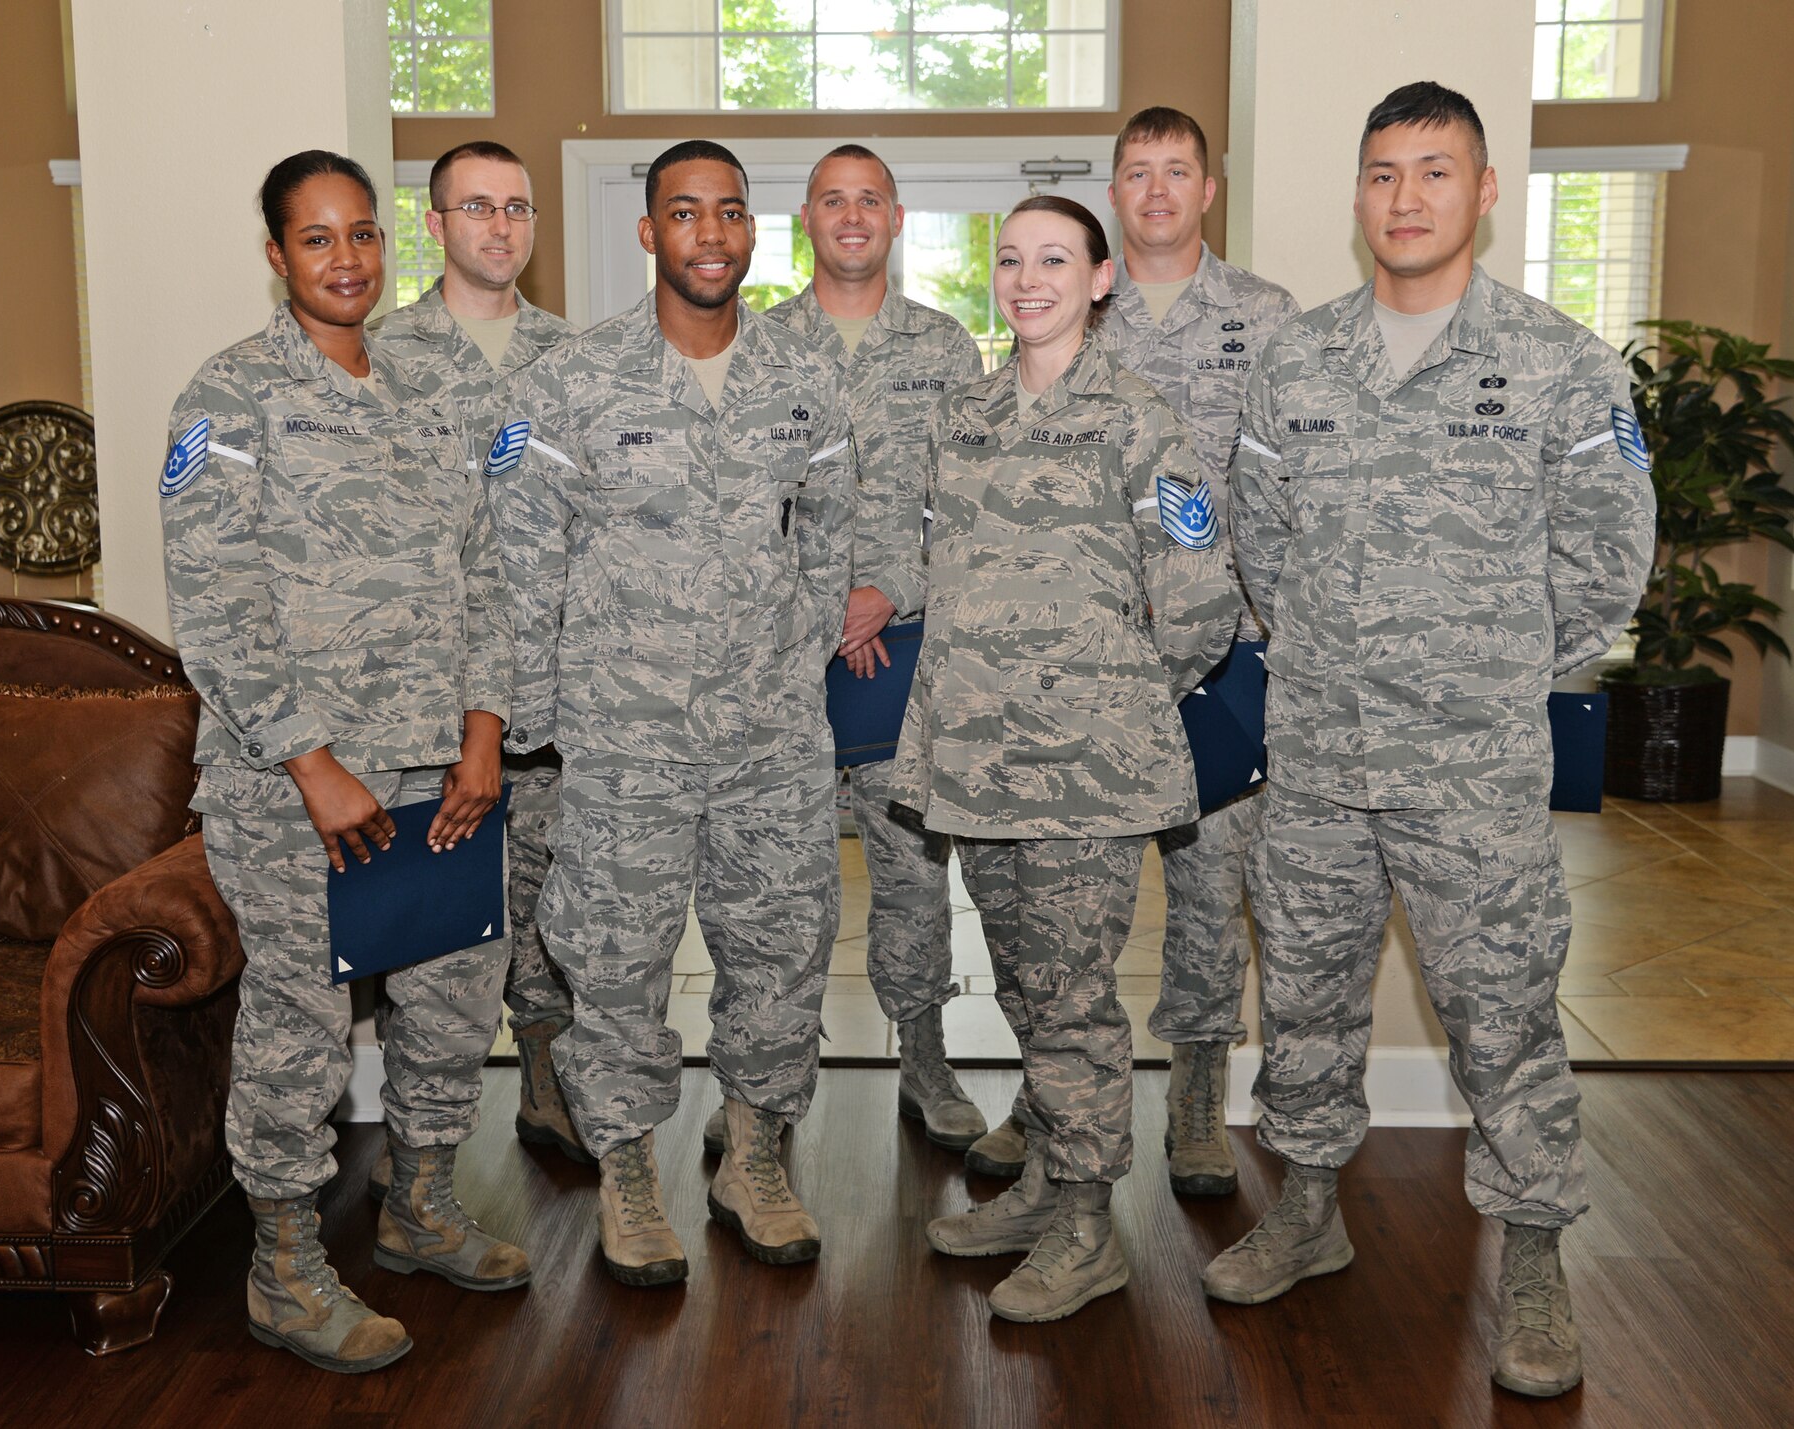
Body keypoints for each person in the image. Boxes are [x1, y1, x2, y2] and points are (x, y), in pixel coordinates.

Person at [1215, 83, 1654, 1399]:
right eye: (1384, 174)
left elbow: (1606, 568)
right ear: (1361, 196)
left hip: (1473, 777)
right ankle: (1304, 1207)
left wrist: (1479, 666)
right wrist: (1348, 657)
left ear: (1484, 191)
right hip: (1320, 765)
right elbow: (1260, 542)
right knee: (1298, 999)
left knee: (1505, 1019)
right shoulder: (1296, 361)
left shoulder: (1565, 364)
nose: (1406, 199)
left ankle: (1529, 1253)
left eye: (1434, 173)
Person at [160, 150, 529, 1375]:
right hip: (294, 792)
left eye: (363, 234)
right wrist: (310, 762)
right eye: (317, 240)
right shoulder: (229, 400)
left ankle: (418, 1204)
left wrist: (484, 732)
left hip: (443, 774)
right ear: (277, 256)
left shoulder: (431, 389)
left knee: (452, 997)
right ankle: (280, 1261)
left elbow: (486, 570)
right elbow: (215, 604)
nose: (347, 259)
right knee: (302, 1021)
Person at [486, 140, 857, 1286]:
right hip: (623, 740)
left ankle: (751, 1159)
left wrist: (794, 668)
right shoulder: (572, 380)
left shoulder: (806, 375)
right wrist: (541, 722)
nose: (709, 233)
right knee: (613, 963)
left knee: (782, 952)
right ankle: (630, 1176)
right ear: (649, 233)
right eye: (683, 213)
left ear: (753, 233)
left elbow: (833, 532)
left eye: (729, 213)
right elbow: (519, 560)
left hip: (770, 743)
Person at [894, 195, 1241, 1323]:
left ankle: (1089, 1225)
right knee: (1024, 984)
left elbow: (1197, 603)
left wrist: (1106, 695)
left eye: (1053, 259)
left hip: (1087, 772)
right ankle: (1046, 1179)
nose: (1026, 278)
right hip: (977, 763)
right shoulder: (962, 413)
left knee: (1076, 997)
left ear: (1100, 280)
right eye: (1008, 259)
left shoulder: (1139, 418)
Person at [963, 108, 1301, 1196]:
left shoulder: (1264, 318)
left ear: (1209, 188)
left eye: (1175, 172)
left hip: (1217, 654)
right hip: (1072, 675)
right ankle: (1047, 1095)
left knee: (1208, 893)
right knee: (1064, 904)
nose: (1155, 189)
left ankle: (1196, 1097)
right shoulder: (1061, 306)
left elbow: (1284, 490)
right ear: (1111, 196)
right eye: (1134, 172)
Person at [694, 144, 986, 1158]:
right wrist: (824, 607)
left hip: (904, 660)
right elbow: (732, 515)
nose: (852, 215)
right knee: (773, 890)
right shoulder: (756, 345)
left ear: (896, 219)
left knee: (911, 874)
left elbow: (968, 511)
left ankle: (926, 1061)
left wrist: (881, 595)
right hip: (780, 670)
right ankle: (761, 1095)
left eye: (870, 199)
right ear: (803, 220)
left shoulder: (946, 350)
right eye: (832, 200)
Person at [366, 140, 583, 1196]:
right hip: (430, 707)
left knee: (555, 909)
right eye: (476, 208)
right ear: (436, 225)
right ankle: (420, 1165)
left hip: (559, 696)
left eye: (518, 207)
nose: (500, 227)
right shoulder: (381, 355)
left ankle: (547, 1080)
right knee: (442, 928)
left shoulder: (573, 359)